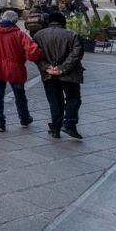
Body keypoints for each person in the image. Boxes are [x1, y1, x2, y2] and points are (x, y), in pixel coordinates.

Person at [0, 9, 43, 131]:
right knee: (20, 95)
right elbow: (32, 52)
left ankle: (0, 122)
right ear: (15, 21)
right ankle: (24, 118)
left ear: (2, 18)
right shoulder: (19, 34)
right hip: (15, 69)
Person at [33, 11, 84, 139]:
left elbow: (34, 54)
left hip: (49, 75)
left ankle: (55, 128)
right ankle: (70, 124)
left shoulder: (38, 35)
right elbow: (77, 53)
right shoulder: (72, 35)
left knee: (55, 102)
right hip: (70, 74)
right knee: (73, 99)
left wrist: (47, 67)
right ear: (63, 22)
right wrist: (62, 68)